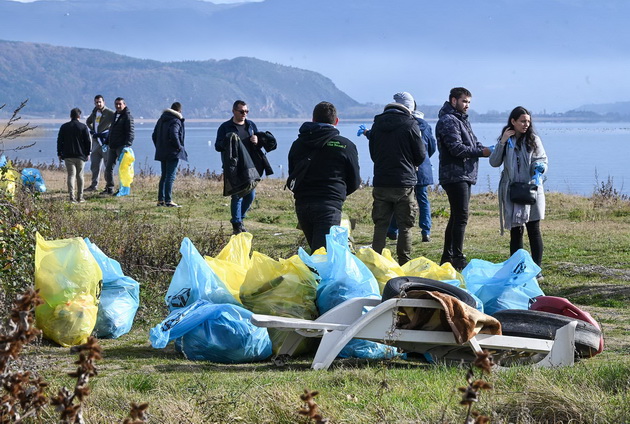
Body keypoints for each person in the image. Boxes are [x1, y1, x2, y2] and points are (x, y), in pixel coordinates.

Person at [287, 101, 361, 252]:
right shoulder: (345, 145)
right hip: (329, 204)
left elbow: (292, 173)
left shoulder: (298, 144)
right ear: (336, 121)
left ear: (313, 120)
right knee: (322, 256)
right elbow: (354, 181)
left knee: (317, 252)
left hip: (303, 204)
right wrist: (338, 194)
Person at [436, 87, 492, 271]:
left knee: (456, 217)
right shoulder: (448, 121)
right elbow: (457, 149)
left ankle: (447, 257)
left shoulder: (461, 120)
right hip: (454, 174)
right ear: (454, 101)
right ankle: (457, 258)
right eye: (464, 101)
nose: (467, 105)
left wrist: (490, 149)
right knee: (461, 217)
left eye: (468, 102)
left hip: (464, 174)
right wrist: (481, 152)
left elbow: (474, 143)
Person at [489, 106, 548, 279]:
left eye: (528, 121)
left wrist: (540, 168)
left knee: (533, 229)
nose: (526, 124)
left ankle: (537, 270)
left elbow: (542, 159)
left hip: (531, 189)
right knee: (516, 230)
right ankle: (516, 268)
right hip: (512, 190)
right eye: (522, 121)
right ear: (513, 122)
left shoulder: (534, 140)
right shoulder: (506, 140)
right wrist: (502, 142)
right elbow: (494, 162)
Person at [367, 99, 425, 265]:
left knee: (380, 225)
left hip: (381, 181)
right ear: (407, 110)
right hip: (404, 182)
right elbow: (420, 155)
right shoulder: (410, 124)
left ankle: (376, 263)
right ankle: (404, 263)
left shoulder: (377, 125)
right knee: (405, 226)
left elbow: (373, 153)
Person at [377, 92, 437, 243]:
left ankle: (393, 230)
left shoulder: (400, 123)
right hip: (421, 168)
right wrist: (421, 160)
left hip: (403, 169)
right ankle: (426, 231)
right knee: (422, 200)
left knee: (400, 201)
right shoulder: (424, 126)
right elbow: (431, 147)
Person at [215, 100, 276, 234]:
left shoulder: (251, 125)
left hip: (251, 166)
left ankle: (240, 219)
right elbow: (218, 146)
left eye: (246, 111)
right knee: (237, 195)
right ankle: (236, 224)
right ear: (234, 111)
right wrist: (228, 139)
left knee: (250, 195)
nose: (244, 114)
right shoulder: (225, 127)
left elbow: (259, 144)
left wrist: (258, 141)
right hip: (235, 166)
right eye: (241, 111)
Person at [152, 101, 188, 207]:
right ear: (179, 111)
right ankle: (168, 200)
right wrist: (179, 147)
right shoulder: (176, 121)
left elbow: (154, 135)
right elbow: (174, 134)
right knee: (170, 176)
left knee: (164, 175)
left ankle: (160, 200)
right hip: (172, 152)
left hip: (162, 151)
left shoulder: (161, 119)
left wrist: (159, 146)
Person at [57, 108, 92, 203]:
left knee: (71, 175)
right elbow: (88, 141)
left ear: (70, 116)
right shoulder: (83, 127)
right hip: (80, 155)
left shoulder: (64, 127)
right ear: (79, 116)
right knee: (80, 175)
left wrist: (59, 153)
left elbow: (60, 141)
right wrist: (88, 152)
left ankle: (71, 197)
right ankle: (80, 197)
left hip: (68, 155)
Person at [102, 97, 134, 195]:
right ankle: (109, 187)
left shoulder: (127, 117)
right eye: (116, 104)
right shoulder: (115, 115)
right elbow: (112, 130)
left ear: (124, 104)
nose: (118, 106)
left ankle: (123, 190)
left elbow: (131, 132)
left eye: (120, 104)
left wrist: (127, 145)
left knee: (123, 170)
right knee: (108, 168)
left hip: (122, 147)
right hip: (112, 146)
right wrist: (106, 141)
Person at [85, 95, 115, 191]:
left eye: (100, 102)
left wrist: (108, 132)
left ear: (103, 102)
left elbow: (116, 122)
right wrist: (92, 130)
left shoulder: (109, 112)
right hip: (95, 142)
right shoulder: (94, 112)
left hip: (105, 142)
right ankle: (94, 185)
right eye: (96, 102)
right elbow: (88, 121)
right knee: (94, 165)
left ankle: (109, 186)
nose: (98, 104)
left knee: (107, 165)